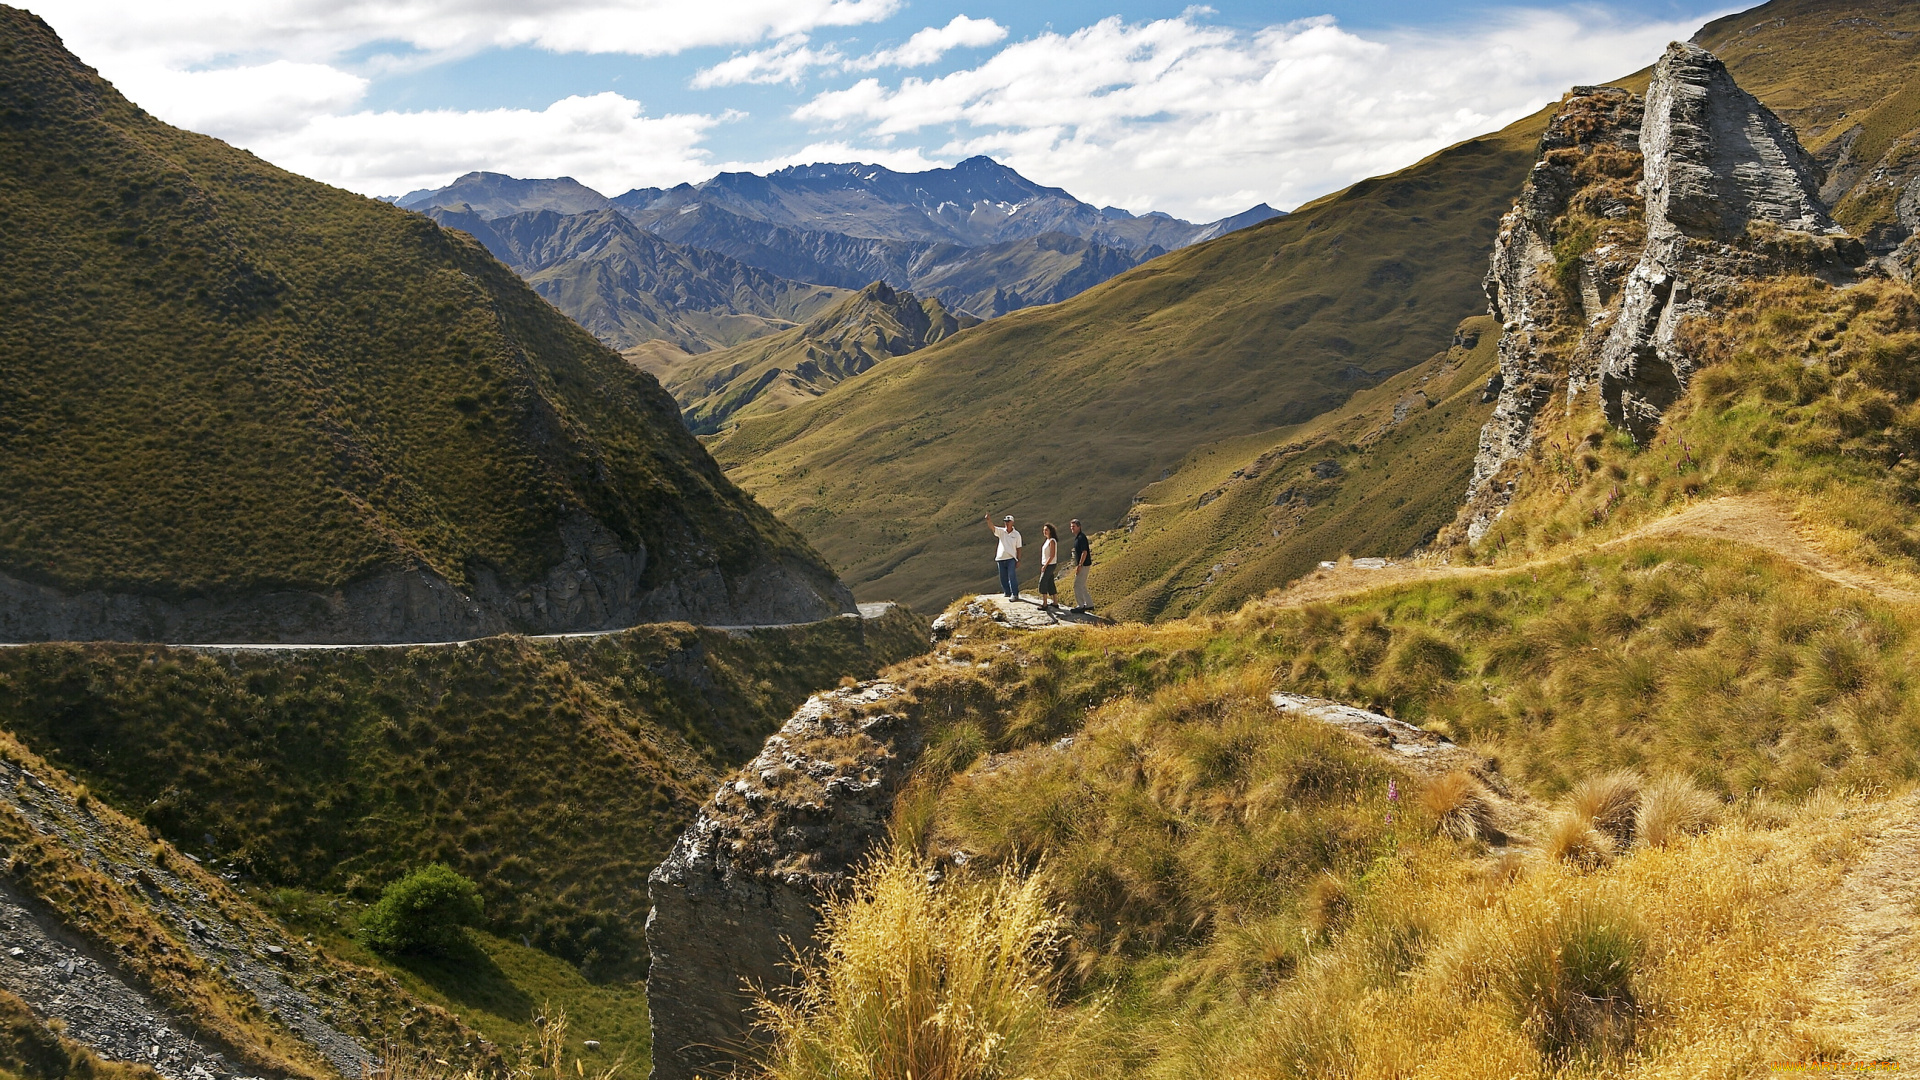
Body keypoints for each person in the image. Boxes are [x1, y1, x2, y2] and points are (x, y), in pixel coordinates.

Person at [985, 513, 1022, 599]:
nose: (1006, 523)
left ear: (1012, 522)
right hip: (1000, 558)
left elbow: (1019, 548)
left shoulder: (1016, 534)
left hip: (1011, 558)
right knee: (1003, 577)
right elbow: (992, 528)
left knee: (1012, 576)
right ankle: (1007, 592)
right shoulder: (1001, 532)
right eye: (1005, 521)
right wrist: (988, 520)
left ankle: (1015, 594)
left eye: (1008, 521)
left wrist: (1019, 560)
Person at [1069, 518, 1094, 612]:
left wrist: (1080, 565)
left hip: (1084, 565)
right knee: (1082, 585)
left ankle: (1081, 606)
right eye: (1071, 527)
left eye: (1074, 526)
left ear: (1079, 527)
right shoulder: (1079, 537)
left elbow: (1084, 552)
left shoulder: (1081, 538)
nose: (1072, 528)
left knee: (1077, 585)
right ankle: (1089, 604)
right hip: (1085, 564)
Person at [1037, 524, 1061, 610]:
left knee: (1043, 582)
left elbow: (1052, 555)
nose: (1044, 531)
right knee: (1050, 582)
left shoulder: (1052, 541)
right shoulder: (1047, 540)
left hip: (1049, 565)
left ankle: (1045, 603)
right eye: (1044, 530)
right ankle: (1055, 602)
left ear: (1050, 531)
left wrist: (1045, 565)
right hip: (1047, 564)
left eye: (1046, 530)